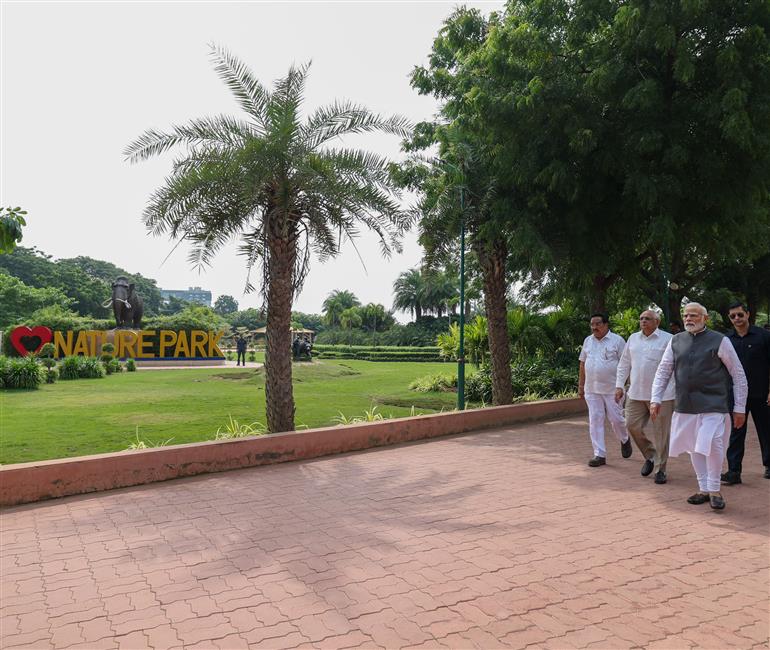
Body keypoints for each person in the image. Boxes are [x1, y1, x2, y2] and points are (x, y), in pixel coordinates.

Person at [650, 303, 747, 510]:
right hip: (685, 404)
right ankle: (703, 489)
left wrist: (739, 407)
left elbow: (738, 374)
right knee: (694, 446)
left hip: (714, 404)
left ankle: (714, 490)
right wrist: (655, 398)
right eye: (685, 315)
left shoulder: (720, 340)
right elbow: (663, 370)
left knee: (712, 444)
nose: (688, 319)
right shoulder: (676, 341)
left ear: (705, 318)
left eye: (693, 315)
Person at [615, 310, 674, 484]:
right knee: (631, 425)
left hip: (663, 395)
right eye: (641, 319)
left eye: (647, 319)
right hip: (636, 393)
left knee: (661, 433)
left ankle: (660, 469)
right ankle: (651, 455)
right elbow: (624, 363)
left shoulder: (669, 339)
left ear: (657, 321)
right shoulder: (633, 338)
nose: (643, 321)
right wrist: (619, 386)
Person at [721, 302, 770, 484]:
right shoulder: (726, 340)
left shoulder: (764, 336)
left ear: (748, 314)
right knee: (736, 433)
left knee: (766, 431)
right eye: (733, 316)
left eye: (740, 315)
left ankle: (769, 465)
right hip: (736, 396)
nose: (737, 319)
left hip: (761, 393)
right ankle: (734, 471)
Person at [579, 313, 632, 467]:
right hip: (592, 389)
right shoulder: (588, 341)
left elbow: (626, 364)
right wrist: (581, 386)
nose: (594, 327)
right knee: (595, 420)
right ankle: (599, 454)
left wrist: (622, 386)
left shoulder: (617, 341)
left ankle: (624, 439)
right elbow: (582, 363)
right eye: (592, 324)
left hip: (613, 389)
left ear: (606, 324)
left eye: (598, 324)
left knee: (616, 419)